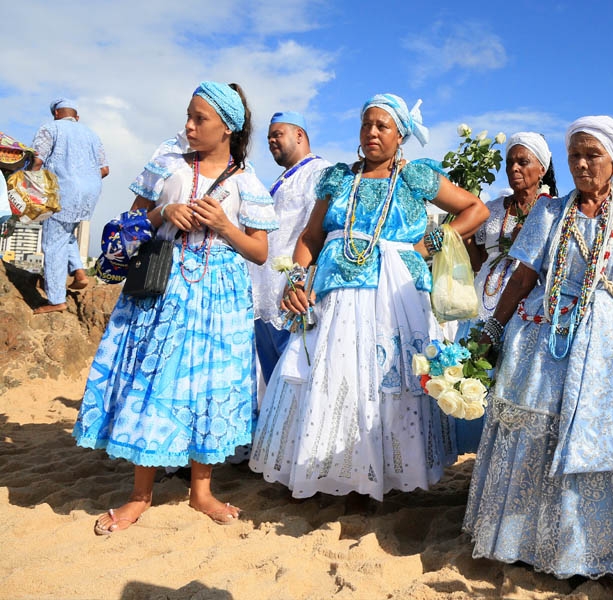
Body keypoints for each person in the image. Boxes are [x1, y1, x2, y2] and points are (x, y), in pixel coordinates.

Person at [463, 116, 613, 581]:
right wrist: (493, 330)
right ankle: (527, 543)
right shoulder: (549, 213)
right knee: (538, 432)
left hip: (611, 346)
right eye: (575, 156)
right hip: (547, 337)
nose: (582, 164)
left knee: (602, 436)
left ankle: (594, 550)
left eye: (593, 155)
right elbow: (524, 277)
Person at [249, 94, 488, 502]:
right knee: (333, 375)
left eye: (383, 126)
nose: (373, 132)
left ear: (400, 136)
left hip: (394, 294)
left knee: (386, 381)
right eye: (367, 125)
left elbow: (475, 209)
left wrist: (427, 246)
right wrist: (296, 279)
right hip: (334, 292)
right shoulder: (339, 178)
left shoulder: (416, 177)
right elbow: (310, 237)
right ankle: (330, 473)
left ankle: (389, 477)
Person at [74, 81, 277, 534]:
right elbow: (125, 225)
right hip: (162, 288)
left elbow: (260, 252)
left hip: (220, 297)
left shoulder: (247, 182)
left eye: (199, 118)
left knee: (209, 383)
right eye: (188, 115)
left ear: (227, 128)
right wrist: (162, 215)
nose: (188, 125)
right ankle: (138, 496)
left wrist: (224, 225)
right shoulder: (165, 165)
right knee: (153, 378)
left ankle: (201, 492)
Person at [454, 131, 558, 453]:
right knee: (474, 374)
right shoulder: (493, 208)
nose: (514, 167)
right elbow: (478, 260)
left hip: (527, 307)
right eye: (510, 161)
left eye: (522, 161)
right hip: (482, 300)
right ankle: (478, 453)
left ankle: (509, 453)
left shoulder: (554, 211)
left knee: (513, 381)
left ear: (542, 169)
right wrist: (467, 239)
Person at [250, 111, 332, 383]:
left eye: (277, 134)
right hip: (264, 297)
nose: (272, 141)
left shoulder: (320, 172)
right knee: (272, 386)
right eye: (269, 137)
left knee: (294, 383)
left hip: (292, 296)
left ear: (299, 135)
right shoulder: (280, 180)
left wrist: (300, 280)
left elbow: (316, 233)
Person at [31, 98, 109, 314]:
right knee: (66, 232)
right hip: (89, 193)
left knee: (53, 243)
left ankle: (56, 300)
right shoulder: (92, 135)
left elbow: (37, 160)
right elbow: (105, 170)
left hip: (63, 190)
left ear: (56, 113)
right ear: (76, 116)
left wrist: (29, 182)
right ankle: (79, 272)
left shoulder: (50, 128)